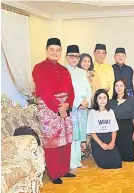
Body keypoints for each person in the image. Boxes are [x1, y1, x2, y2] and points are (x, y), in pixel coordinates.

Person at [32, 38, 75, 184]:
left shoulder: (64, 70)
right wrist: (58, 107)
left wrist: (67, 104)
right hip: (49, 110)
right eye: (52, 50)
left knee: (66, 140)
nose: (55, 53)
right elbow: (43, 91)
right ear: (46, 51)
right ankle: (54, 173)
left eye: (58, 50)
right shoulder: (38, 68)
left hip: (65, 109)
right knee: (53, 141)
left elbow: (71, 90)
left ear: (61, 52)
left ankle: (64, 169)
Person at [65, 45, 92, 172]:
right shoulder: (64, 71)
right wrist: (77, 103)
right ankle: (71, 162)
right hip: (72, 107)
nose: (74, 59)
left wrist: (86, 101)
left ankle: (77, 161)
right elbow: (68, 91)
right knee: (72, 136)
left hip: (83, 107)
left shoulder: (82, 72)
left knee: (79, 135)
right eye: (72, 56)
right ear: (66, 57)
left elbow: (88, 89)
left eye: (76, 56)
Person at [87, 89, 122, 169]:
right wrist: (101, 144)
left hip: (109, 138)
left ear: (107, 99)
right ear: (96, 99)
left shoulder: (111, 112)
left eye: (104, 98)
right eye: (100, 98)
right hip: (98, 140)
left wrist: (112, 143)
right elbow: (92, 132)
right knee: (104, 164)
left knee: (117, 163)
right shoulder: (92, 112)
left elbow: (114, 129)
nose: (102, 100)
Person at [109, 79, 134, 162]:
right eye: (116, 86)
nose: (119, 88)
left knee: (128, 157)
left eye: (121, 85)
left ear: (125, 87)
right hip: (114, 129)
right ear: (114, 88)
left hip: (128, 128)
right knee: (115, 157)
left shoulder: (131, 100)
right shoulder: (110, 102)